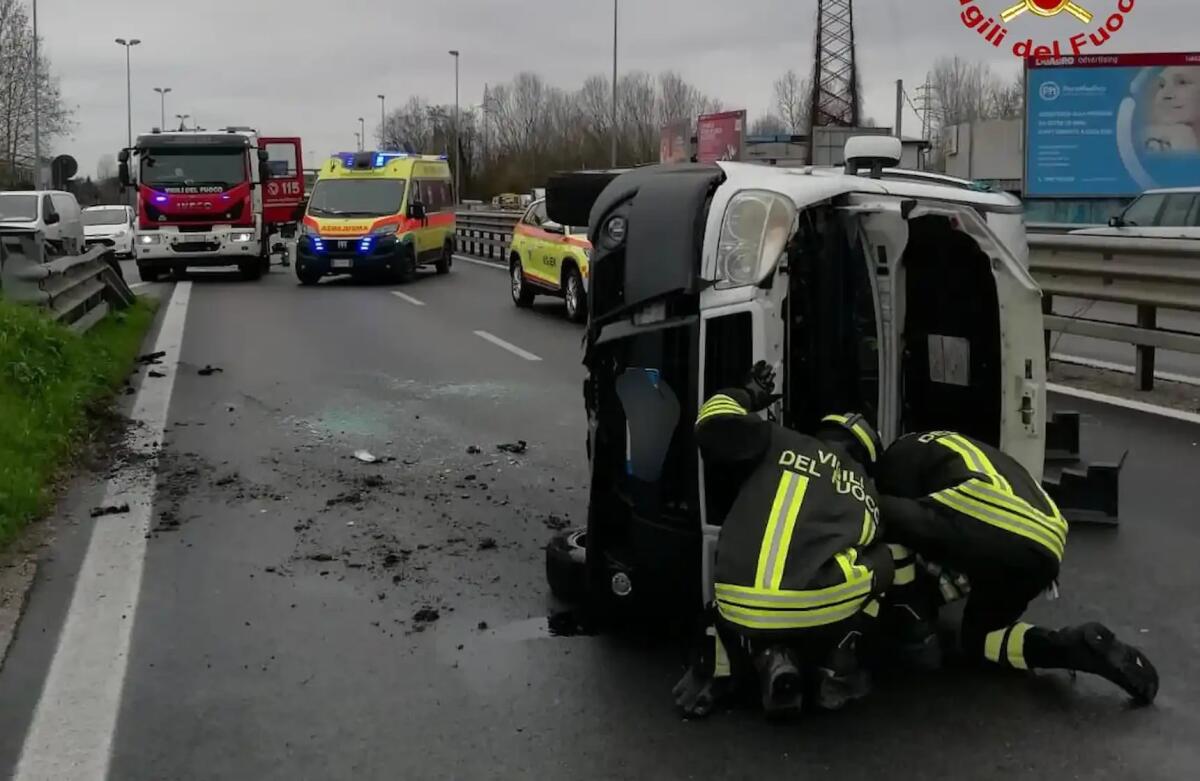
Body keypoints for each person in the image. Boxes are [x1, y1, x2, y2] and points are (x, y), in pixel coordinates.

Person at [673, 361, 896, 719]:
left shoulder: (776, 439)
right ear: (866, 455)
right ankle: (838, 665)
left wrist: (750, 394)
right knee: (885, 559)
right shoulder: (863, 486)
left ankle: (756, 657)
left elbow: (710, 422)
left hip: (734, 598)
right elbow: (866, 541)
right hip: (814, 605)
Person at [875, 429, 1159, 704]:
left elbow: (899, 519)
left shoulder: (892, 463)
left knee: (888, 521)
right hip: (1047, 538)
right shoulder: (945, 446)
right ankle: (1074, 647)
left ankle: (914, 627)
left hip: (994, 523)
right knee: (980, 639)